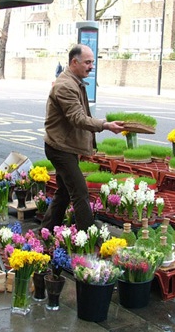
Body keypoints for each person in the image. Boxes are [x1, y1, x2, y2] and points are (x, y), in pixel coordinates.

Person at [42, 44, 125, 232]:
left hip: (65, 146)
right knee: (80, 192)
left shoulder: (74, 81)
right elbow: (78, 118)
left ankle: (46, 231)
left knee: (64, 192)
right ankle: (87, 237)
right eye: (88, 62)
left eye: (92, 62)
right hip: (60, 149)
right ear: (74, 62)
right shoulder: (66, 86)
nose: (91, 66)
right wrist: (105, 125)